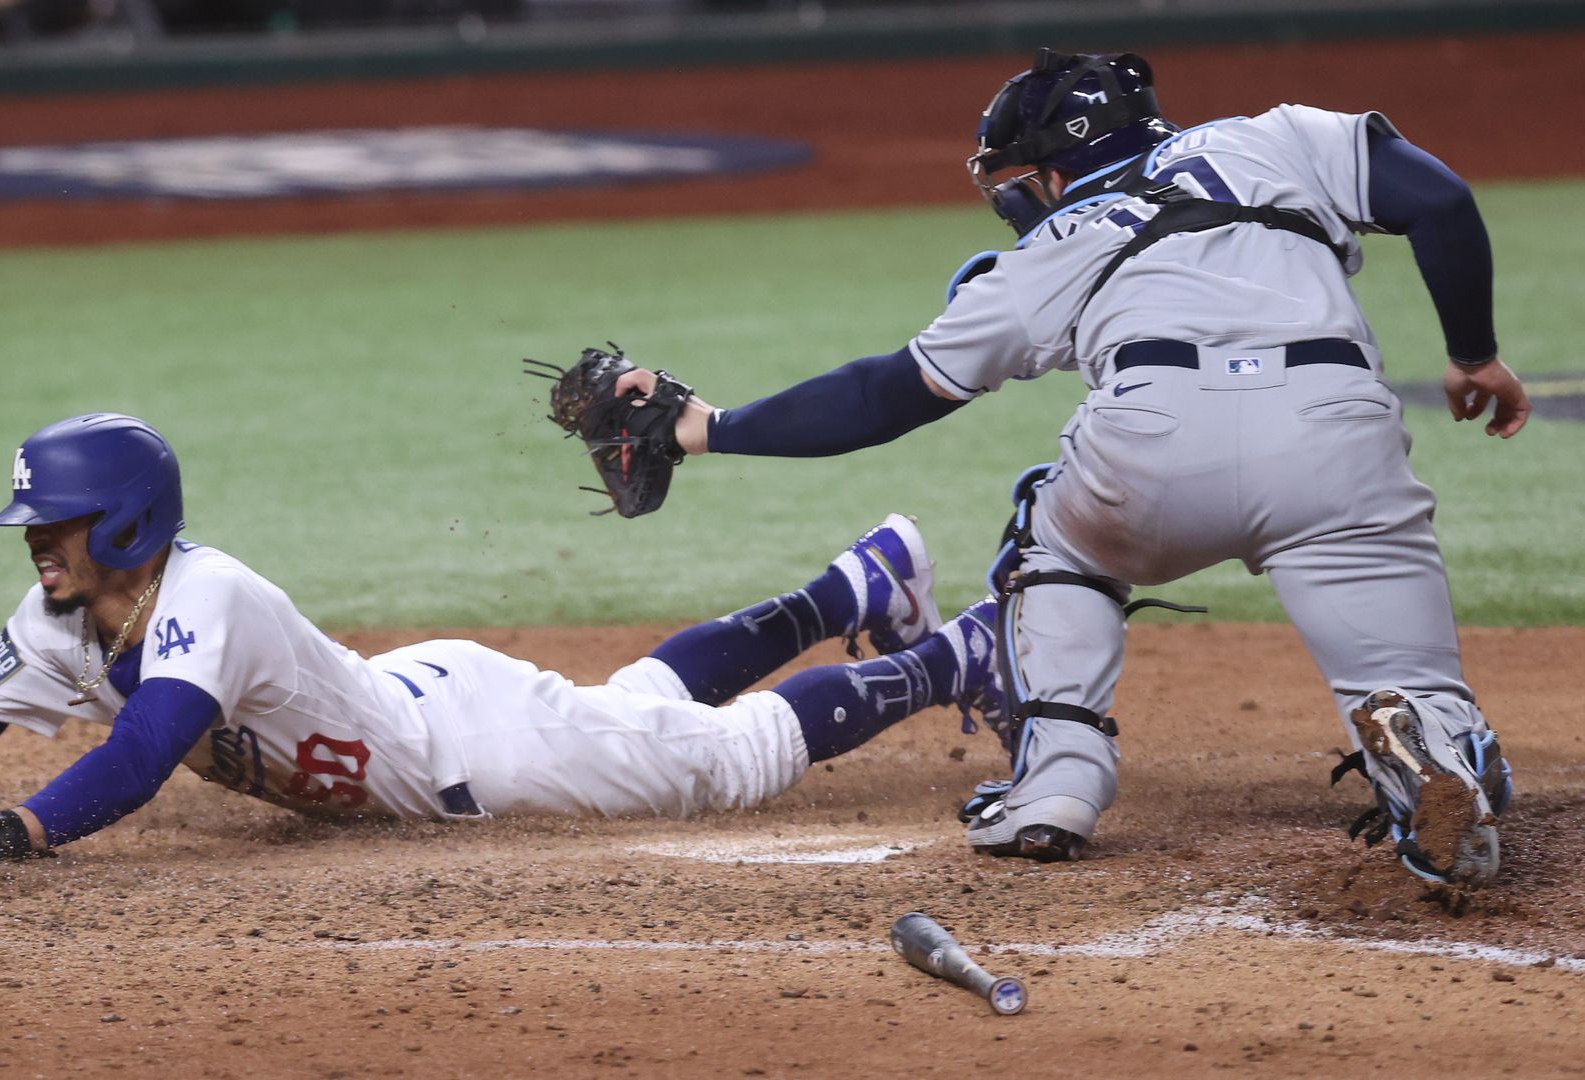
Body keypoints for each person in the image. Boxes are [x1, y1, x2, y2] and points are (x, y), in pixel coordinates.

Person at [607, 49, 1525, 890]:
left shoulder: (1045, 252)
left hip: (1155, 445)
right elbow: (1439, 200)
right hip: (1335, 430)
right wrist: (1475, 355)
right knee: (1403, 669)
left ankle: (1056, 787)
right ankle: (1433, 754)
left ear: (1051, 172)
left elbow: (884, 396)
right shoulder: (1279, 137)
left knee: (1056, 540)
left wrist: (705, 429)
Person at [0, 413, 998, 866]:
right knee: (635, 703)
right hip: (429, 708)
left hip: (483, 753)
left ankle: (963, 651)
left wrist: (26, 833)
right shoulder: (62, 618)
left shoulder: (213, 595)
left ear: (131, 522)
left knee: (719, 763)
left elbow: (145, 753)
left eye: (57, 524)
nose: (36, 544)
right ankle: (860, 581)